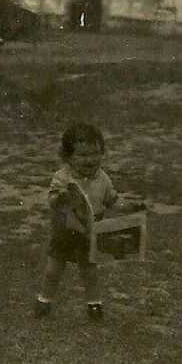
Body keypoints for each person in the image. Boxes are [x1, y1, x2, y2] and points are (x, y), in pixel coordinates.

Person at [35, 122, 132, 322]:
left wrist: (129, 208)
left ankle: (94, 304)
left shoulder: (103, 178)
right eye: (82, 155)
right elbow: (52, 199)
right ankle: (44, 300)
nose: (90, 160)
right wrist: (62, 197)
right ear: (68, 157)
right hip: (66, 230)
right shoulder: (62, 177)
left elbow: (111, 199)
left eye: (95, 154)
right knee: (54, 269)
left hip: (90, 232)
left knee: (89, 271)